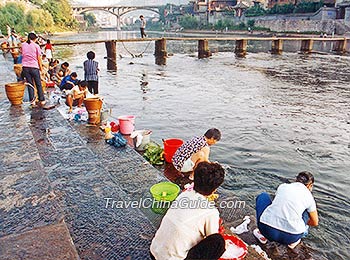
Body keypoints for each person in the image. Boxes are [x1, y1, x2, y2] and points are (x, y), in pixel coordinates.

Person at [150, 161, 226, 260]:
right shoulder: (211, 211)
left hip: (154, 252)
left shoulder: (183, 196)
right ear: (214, 189)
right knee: (218, 242)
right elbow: (211, 238)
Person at [255, 171, 319, 249]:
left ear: (296, 180)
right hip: (291, 237)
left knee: (263, 196)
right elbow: (315, 222)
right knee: (307, 212)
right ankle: (294, 242)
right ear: (310, 185)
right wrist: (302, 223)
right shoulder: (309, 197)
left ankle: (262, 236)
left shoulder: (283, 186)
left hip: (266, 231)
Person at [21, 32, 45, 106]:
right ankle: (41, 99)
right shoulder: (36, 46)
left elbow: (22, 54)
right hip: (34, 67)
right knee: (38, 84)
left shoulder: (23, 45)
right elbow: (39, 58)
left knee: (30, 84)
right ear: (35, 39)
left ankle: (32, 101)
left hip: (25, 67)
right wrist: (41, 69)